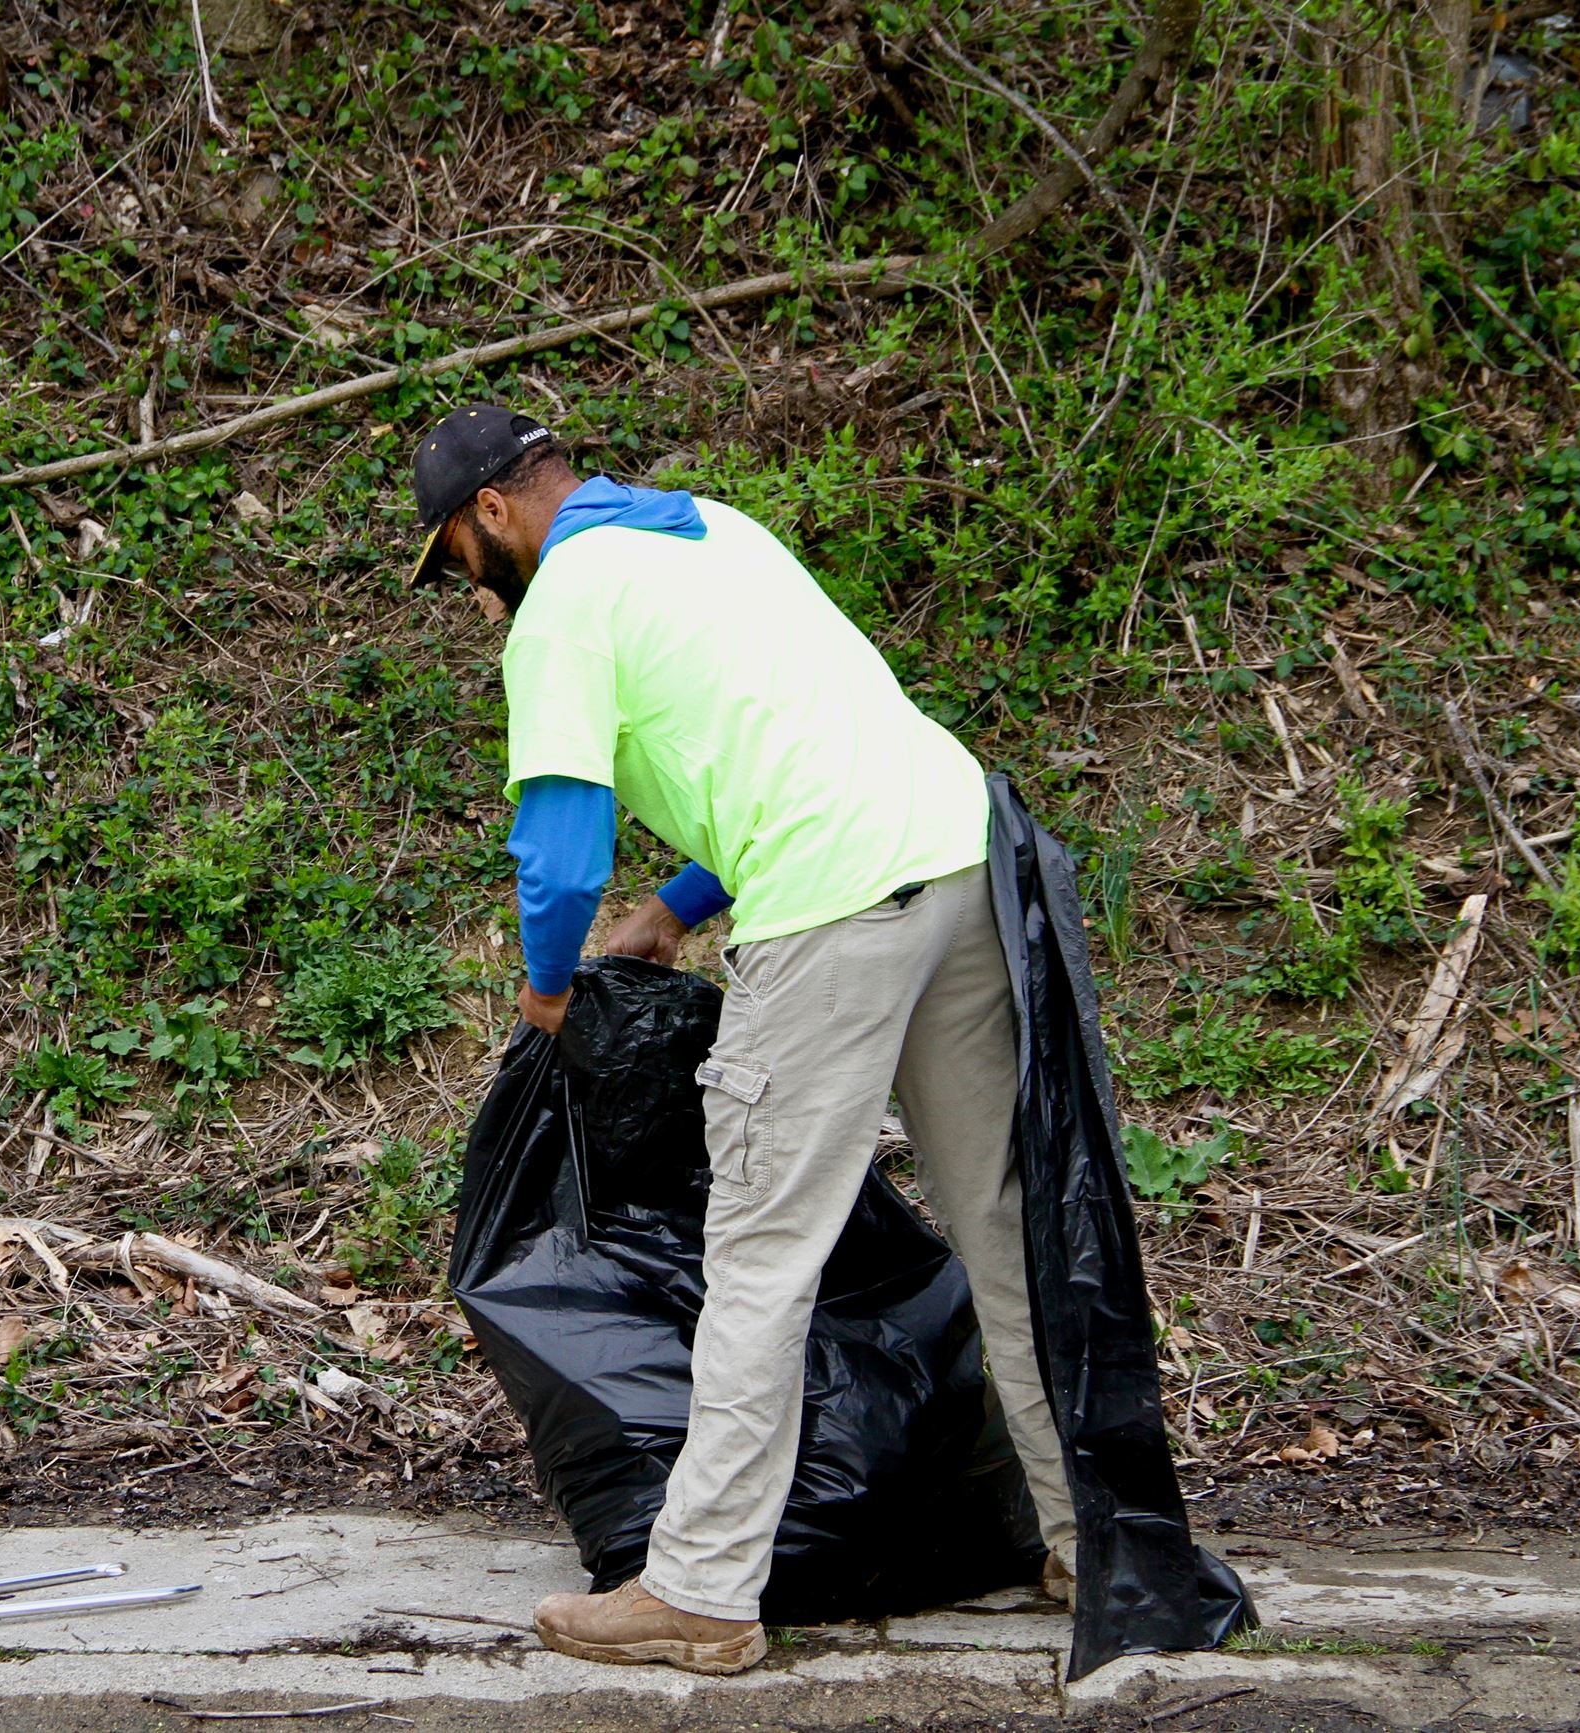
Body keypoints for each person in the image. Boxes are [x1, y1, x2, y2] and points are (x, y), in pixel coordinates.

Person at [406, 404, 1077, 1677]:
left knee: (761, 1249)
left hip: (834, 905)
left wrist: (547, 987)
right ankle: (1084, 1538)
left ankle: (702, 1587)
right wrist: (672, 910)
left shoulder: (562, 607)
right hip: (958, 857)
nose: (468, 590)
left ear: (491, 510)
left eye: (455, 560)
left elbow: (559, 851)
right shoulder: (711, 528)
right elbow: (807, 733)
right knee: (1003, 1226)